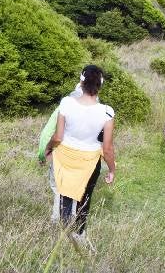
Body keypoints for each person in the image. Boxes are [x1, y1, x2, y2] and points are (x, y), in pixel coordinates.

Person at [44, 65, 116, 253]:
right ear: (100, 85)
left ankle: (64, 234)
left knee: (65, 194)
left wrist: (48, 148)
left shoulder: (66, 103)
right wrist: (112, 169)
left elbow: (58, 136)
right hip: (90, 161)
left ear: (81, 81)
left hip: (65, 155)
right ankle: (79, 233)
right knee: (85, 197)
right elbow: (107, 148)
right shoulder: (107, 112)